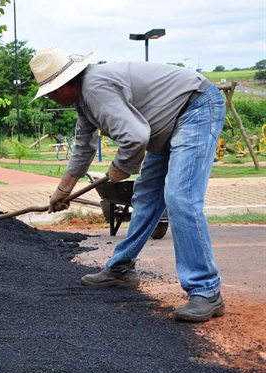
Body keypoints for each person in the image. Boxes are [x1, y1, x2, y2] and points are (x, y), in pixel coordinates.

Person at [29, 47, 226, 322]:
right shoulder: (84, 103)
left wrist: (120, 167)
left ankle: (206, 290)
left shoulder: (95, 88)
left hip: (195, 109)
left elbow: (135, 137)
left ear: (65, 84)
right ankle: (121, 269)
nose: (49, 96)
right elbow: (83, 149)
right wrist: (63, 191)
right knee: (145, 196)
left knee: (180, 197)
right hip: (167, 125)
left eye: (50, 90)